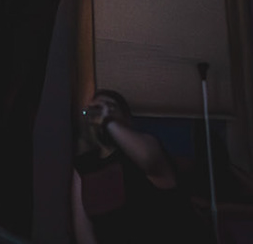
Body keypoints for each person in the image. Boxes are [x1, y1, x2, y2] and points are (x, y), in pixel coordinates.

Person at [71, 89, 210, 244]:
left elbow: (148, 158)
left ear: (126, 117)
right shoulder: (84, 165)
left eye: (111, 106)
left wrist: (108, 120)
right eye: (96, 108)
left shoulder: (145, 146)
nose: (102, 111)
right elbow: (83, 229)